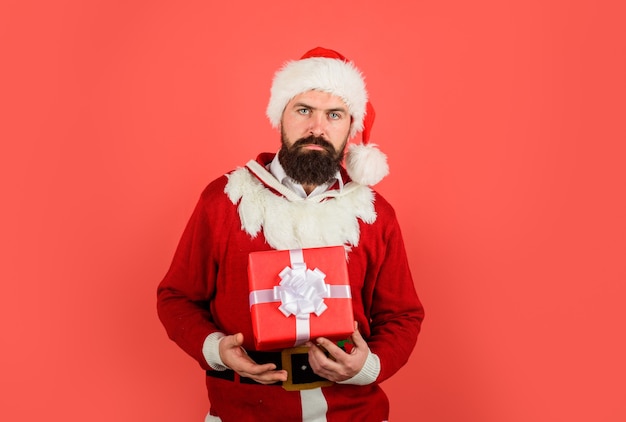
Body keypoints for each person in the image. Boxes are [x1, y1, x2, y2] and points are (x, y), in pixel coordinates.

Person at [157, 47, 425, 422]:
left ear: (351, 126)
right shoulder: (224, 200)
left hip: (352, 413)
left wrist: (367, 366)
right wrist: (216, 349)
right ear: (280, 115)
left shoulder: (375, 215)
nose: (317, 127)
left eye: (334, 115)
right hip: (243, 412)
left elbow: (402, 315)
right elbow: (177, 297)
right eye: (304, 110)